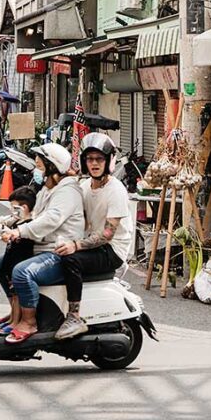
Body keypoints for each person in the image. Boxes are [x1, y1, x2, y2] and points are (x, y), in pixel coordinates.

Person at [0, 143, 84, 344]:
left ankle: (29, 322)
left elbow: (50, 220)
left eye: (41, 162)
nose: (37, 165)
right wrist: (5, 223)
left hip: (57, 251)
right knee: (2, 265)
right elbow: (35, 215)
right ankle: (16, 314)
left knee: (22, 272)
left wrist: (19, 231)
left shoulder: (67, 192)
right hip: (42, 247)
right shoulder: (47, 189)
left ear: (52, 166)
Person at [55, 132, 133, 340]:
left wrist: (76, 245)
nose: (94, 164)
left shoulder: (116, 190)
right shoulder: (84, 187)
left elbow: (108, 234)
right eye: (90, 159)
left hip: (112, 250)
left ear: (108, 161)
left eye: (99, 159)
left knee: (71, 259)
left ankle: (74, 317)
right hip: (94, 245)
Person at [0, 185, 38, 335]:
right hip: (11, 262)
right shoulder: (17, 221)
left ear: (24, 207)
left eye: (14, 208)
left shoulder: (28, 226)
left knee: (17, 293)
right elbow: (3, 222)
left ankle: (16, 321)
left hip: (19, 262)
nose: (12, 211)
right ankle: (12, 318)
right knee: (13, 292)